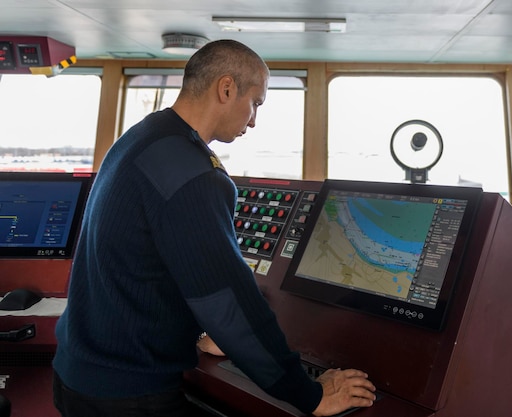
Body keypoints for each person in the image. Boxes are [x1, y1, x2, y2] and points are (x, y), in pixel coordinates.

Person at [52, 39, 376, 417]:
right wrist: (310, 394)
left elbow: (142, 264)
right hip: (128, 395)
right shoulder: (194, 176)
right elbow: (226, 300)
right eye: (255, 102)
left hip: (77, 374)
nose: (253, 120)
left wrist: (200, 333)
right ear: (226, 88)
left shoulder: (140, 138)